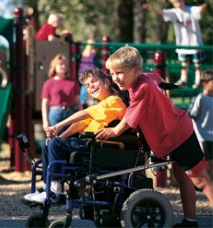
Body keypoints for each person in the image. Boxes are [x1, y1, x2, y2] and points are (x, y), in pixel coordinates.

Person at [95, 45, 213, 227]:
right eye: (111, 73)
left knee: (201, 180)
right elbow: (158, 79)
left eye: (119, 73)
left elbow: (131, 116)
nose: (115, 78)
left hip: (179, 135)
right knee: (182, 177)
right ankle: (191, 221)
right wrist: (165, 88)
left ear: (135, 70)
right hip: (175, 133)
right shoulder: (146, 78)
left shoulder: (143, 87)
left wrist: (115, 131)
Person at [25, 68, 127, 203]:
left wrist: (58, 126)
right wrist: (61, 136)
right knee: (50, 142)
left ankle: (56, 190)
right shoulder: (101, 104)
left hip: (101, 147)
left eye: (94, 81)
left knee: (55, 144)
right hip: (92, 144)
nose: (91, 86)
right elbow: (81, 124)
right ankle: (48, 187)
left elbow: (85, 114)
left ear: (106, 82)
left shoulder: (114, 101)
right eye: (87, 85)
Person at [143, 0, 207, 88]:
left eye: (180, 1)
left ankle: (198, 80)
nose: (178, 4)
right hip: (183, 44)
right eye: (176, 3)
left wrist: (205, 3)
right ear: (174, 4)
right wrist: (151, 8)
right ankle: (183, 79)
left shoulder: (191, 10)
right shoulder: (174, 13)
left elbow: (199, 9)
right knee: (184, 63)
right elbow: (162, 12)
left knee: (197, 63)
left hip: (195, 43)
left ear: (183, 1)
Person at [41, 53, 82, 134]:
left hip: (71, 113)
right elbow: (45, 103)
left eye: (65, 64)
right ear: (54, 67)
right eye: (60, 64)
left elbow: (78, 101)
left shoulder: (73, 81)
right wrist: (45, 121)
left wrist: (82, 116)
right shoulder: (49, 83)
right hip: (55, 113)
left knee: (70, 138)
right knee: (55, 138)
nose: (63, 66)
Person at [188, 70, 213, 180]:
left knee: (211, 162)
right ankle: (204, 184)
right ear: (205, 83)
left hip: (211, 136)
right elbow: (191, 114)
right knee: (207, 162)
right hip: (203, 136)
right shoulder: (200, 98)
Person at [78, 39, 98, 108]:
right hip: (89, 72)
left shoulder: (84, 52)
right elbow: (94, 63)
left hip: (81, 71)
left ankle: (82, 100)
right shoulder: (93, 52)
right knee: (90, 85)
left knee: (84, 86)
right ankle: (90, 100)